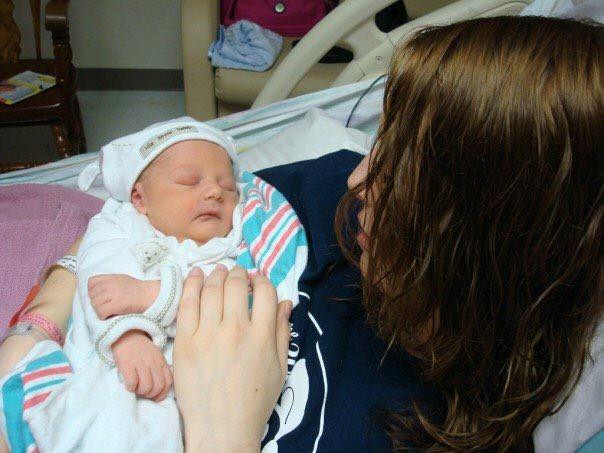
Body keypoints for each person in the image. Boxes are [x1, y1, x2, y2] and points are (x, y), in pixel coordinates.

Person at [1, 15, 602, 452]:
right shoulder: (323, 201)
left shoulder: (437, 431)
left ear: (498, 238)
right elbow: (143, 212)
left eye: (409, 174)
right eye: (380, 141)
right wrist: (40, 325)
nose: (362, 177)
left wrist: (224, 433)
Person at [0, 119, 306, 452]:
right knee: (85, 421)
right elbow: (100, 282)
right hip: (107, 365)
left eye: (228, 186)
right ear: (140, 199)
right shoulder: (120, 225)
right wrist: (126, 334)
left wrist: (152, 296)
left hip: (179, 393)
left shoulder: (232, 247)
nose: (215, 191)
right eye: (189, 181)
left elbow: (239, 307)